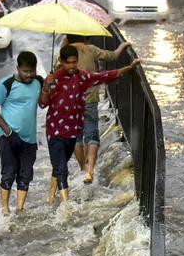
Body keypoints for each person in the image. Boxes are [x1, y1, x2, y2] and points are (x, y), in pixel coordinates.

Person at [40, 45, 140, 207]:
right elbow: (43, 103)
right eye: (68, 63)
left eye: (74, 62)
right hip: (55, 130)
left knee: (60, 164)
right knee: (61, 168)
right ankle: (67, 205)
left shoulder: (83, 77)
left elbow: (104, 76)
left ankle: (51, 195)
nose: (72, 66)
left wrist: (127, 69)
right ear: (61, 62)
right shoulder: (53, 79)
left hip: (73, 130)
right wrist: (46, 87)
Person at [63, 34, 130, 185]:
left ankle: (82, 167)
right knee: (92, 133)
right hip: (90, 100)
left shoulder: (64, 53)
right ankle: (90, 171)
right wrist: (122, 46)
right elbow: (113, 56)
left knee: (76, 136)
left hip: (70, 102)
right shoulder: (91, 49)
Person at [0, 52, 44, 215]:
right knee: (8, 173)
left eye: (32, 71)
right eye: (25, 71)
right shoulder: (7, 84)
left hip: (30, 139)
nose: (29, 75)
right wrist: (8, 131)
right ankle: (5, 209)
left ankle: (19, 209)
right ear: (18, 68)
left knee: (25, 175)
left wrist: (47, 87)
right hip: (8, 137)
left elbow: (42, 104)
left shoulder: (38, 82)